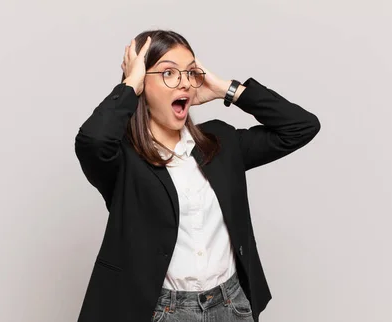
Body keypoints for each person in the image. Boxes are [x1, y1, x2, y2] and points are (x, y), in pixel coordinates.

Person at [74, 29, 320, 322]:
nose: (184, 83)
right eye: (168, 73)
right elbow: (92, 141)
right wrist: (130, 84)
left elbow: (301, 127)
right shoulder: (123, 160)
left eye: (190, 73)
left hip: (232, 304)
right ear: (143, 84)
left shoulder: (221, 142)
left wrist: (224, 89)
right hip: (162, 311)